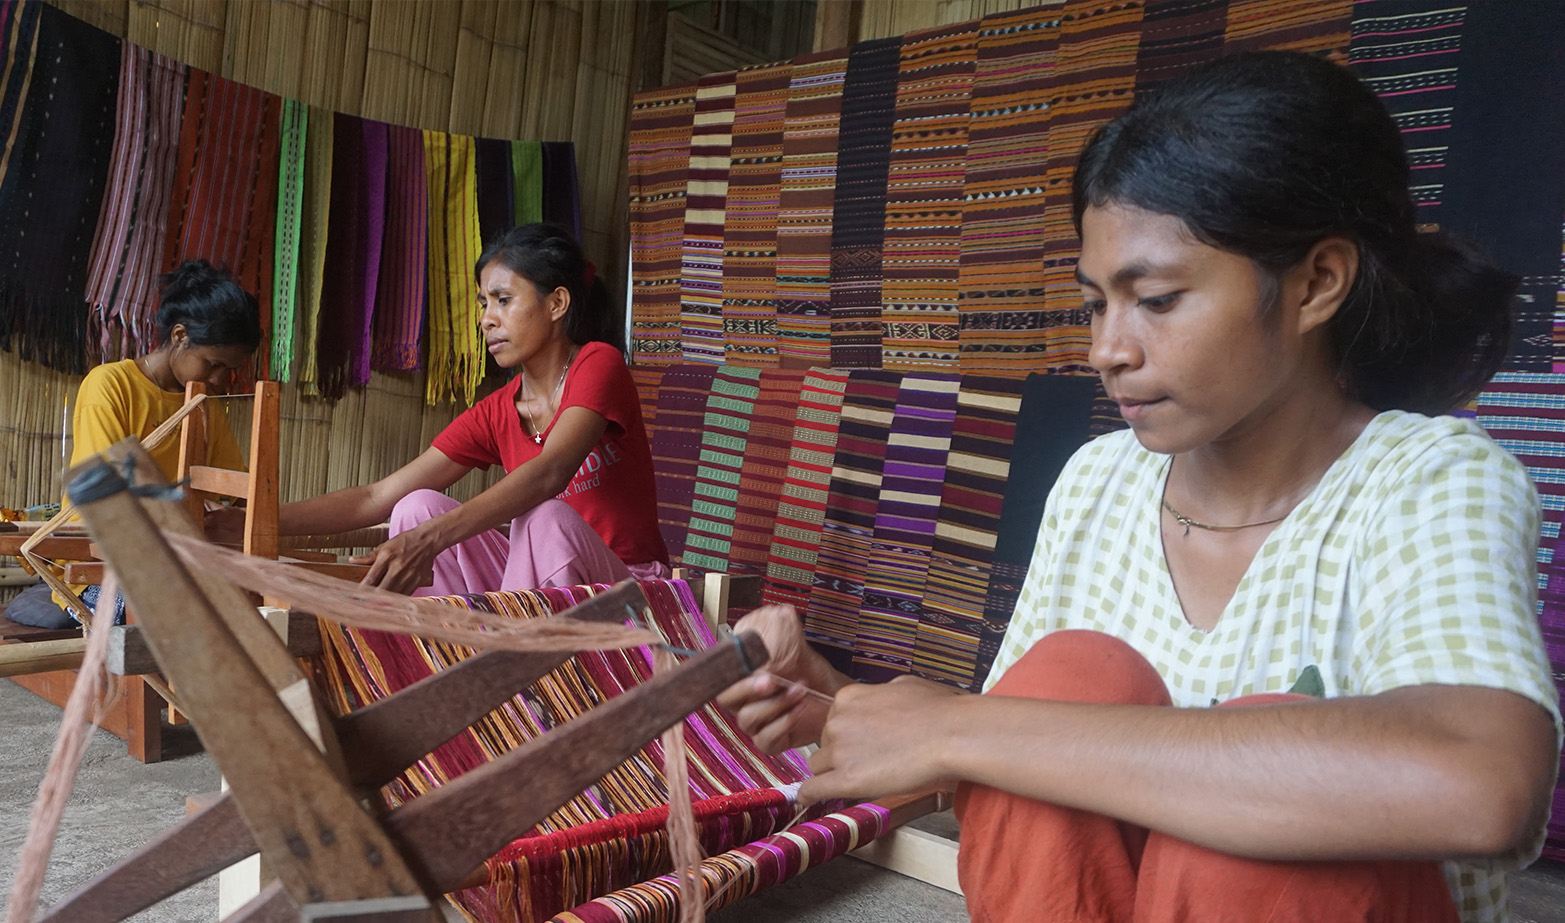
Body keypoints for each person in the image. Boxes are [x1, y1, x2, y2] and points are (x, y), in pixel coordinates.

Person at [719, 51, 1559, 922]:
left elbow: (1477, 781)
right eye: (1095, 304)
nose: (1106, 350)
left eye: (1154, 298)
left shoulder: (1429, 479)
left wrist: (959, 724)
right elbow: (1007, 764)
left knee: (1261, 806)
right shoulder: (1098, 481)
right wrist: (830, 705)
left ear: (1316, 282)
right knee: (1067, 685)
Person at [242, 223, 668, 596]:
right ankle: (452, 651)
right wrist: (254, 522)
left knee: (546, 518)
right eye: (484, 303)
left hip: (630, 588)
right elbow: (376, 497)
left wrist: (430, 541)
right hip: (539, 593)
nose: (486, 319)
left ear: (556, 303)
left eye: (503, 299)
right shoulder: (498, 410)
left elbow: (550, 472)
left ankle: (507, 669)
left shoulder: (598, 363)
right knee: (415, 508)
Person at [6, 260, 258, 629]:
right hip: (102, 566)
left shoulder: (201, 403)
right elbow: (105, 502)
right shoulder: (110, 386)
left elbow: (235, 493)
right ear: (179, 335)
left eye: (228, 370)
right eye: (213, 364)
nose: (219, 379)